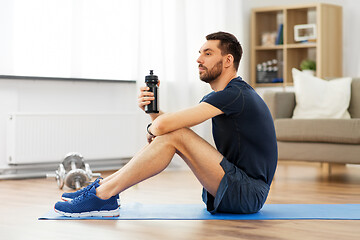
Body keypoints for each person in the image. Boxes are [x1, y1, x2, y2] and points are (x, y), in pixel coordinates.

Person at [54, 31, 278, 217]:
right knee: (174, 133)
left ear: (228, 60)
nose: (199, 59)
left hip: (248, 193)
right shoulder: (229, 95)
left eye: (208, 53)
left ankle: (103, 196)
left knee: (174, 134)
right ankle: (101, 190)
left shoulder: (234, 94)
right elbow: (168, 128)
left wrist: (154, 128)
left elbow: (166, 129)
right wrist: (153, 114)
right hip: (236, 187)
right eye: (199, 54)